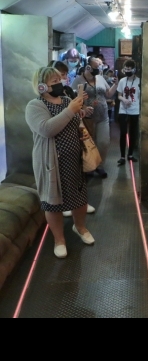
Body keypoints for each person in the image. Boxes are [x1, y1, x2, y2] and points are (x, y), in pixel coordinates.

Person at [25, 66, 95, 259]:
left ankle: (80, 227)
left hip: (73, 160)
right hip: (50, 164)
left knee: (79, 198)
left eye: (59, 80)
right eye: (54, 81)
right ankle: (59, 239)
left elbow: (72, 123)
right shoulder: (35, 106)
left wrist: (80, 114)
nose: (59, 84)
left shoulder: (65, 100)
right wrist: (70, 110)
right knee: (53, 203)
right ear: (41, 86)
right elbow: (47, 129)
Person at [48, 60, 97, 216]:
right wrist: (72, 109)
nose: (62, 79)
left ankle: (80, 203)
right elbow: (50, 125)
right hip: (58, 142)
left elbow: (76, 111)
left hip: (75, 137)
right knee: (61, 175)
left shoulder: (68, 91)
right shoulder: (42, 101)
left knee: (78, 172)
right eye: (57, 77)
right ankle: (64, 204)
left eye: (63, 75)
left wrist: (82, 108)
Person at [72, 56, 119, 178]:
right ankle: (89, 166)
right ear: (88, 67)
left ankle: (100, 165)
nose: (99, 69)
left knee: (103, 142)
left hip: (103, 116)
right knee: (88, 144)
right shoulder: (78, 80)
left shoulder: (100, 78)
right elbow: (72, 98)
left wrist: (116, 84)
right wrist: (83, 107)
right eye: (96, 66)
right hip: (87, 118)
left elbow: (108, 94)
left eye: (100, 66)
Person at [116, 59, 141, 165]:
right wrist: (124, 100)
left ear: (134, 70)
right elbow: (119, 95)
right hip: (123, 110)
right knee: (123, 132)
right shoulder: (122, 81)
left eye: (129, 69)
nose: (127, 71)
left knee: (133, 133)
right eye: (125, 69)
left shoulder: (139, 81)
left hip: (135, 110)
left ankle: (130, 154)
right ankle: (122, 156)